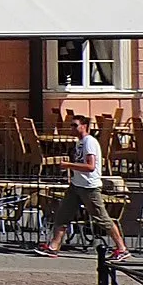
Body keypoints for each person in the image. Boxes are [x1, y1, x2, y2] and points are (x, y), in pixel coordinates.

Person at [37, 112, 129, 261]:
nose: (71, 128)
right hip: (76, 185)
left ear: (84, 126)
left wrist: (68, 165)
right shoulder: (79, 143)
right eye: (71, 125)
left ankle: (122, 248)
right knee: (62, 215)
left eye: (75, 125)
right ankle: (54, 247)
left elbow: (90, 166)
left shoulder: (89, 142)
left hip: (89, 187)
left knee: (102, 218)